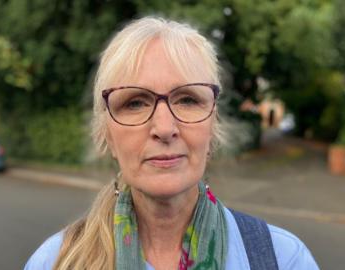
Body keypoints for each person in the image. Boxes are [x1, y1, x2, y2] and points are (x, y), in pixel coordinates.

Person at [24, 16, 319, 270]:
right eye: (135, 102)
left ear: (212, 126)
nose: (164, 128)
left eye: (188, 99)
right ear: (107, 135)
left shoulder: (283, 259)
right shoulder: (55, 262)